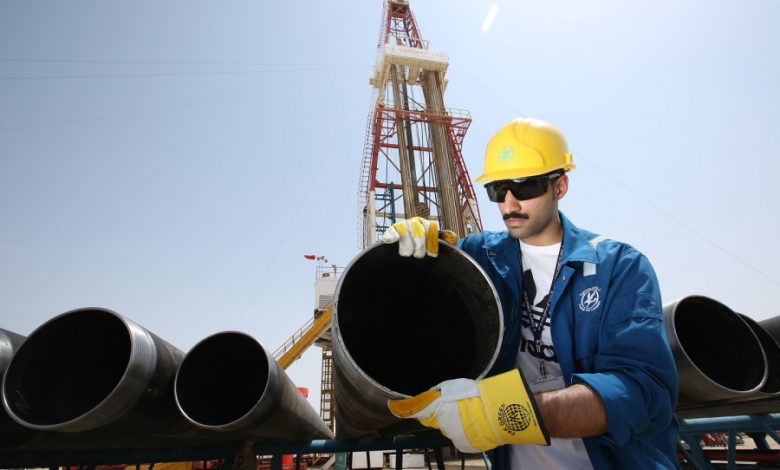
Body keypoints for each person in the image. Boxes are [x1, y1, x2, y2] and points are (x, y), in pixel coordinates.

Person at [383, 117, 679, 469]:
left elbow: (641, 390)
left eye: (525, 187)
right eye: (498, 189)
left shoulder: (618, 267)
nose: (509, 204)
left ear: (560, 186)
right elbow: (415, 296)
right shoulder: (481, 256)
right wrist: (415, 250)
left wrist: (507, 414)